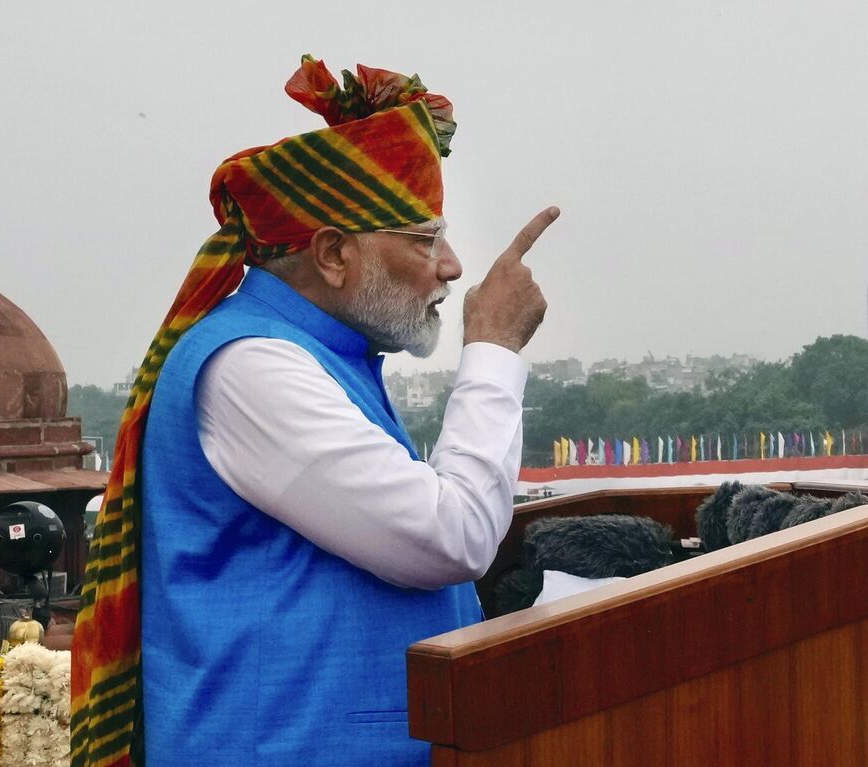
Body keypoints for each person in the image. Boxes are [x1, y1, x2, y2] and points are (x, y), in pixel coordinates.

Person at [71, 56, 556, 766]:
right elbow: (451, 535)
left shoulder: (327, 358)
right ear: (332, 254)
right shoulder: (251, 369)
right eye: (425, 240)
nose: (452, 265)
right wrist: (492, 352)